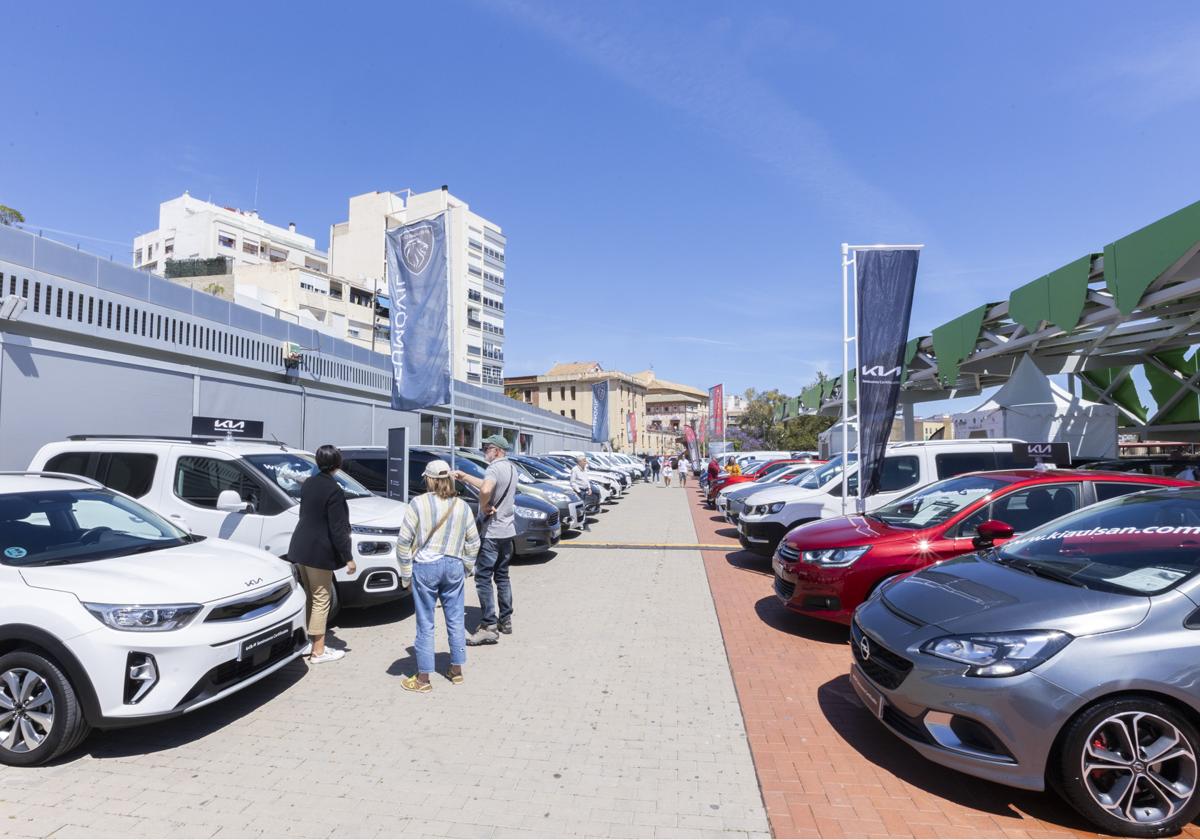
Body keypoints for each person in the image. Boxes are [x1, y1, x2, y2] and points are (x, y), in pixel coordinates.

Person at [396, 459, 479, 693]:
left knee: (426, 623)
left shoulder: (418, 503)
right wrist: (466, 567)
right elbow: (473, 541)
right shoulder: (461, 506)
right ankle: (456, 671)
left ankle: (423, 679)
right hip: (453, 565)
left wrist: (405, 576)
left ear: (430, 479)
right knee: (455, 620)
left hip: (425, 568)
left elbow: (403, 543)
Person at [288, 444, 356, 664]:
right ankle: (318, 650)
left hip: (300, 547)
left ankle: (309, 642)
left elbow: (305, 514)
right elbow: (339, 528)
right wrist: (348, 557)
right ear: (338, 464)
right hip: (319, 552)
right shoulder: (334, 490)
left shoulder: (309, 483)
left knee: (311, 594)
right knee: (321, 599)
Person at [454, 434, 518, 645]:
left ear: (497, 450)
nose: (484, 451)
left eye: (488, 448)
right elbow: (485, 484)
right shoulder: (510, 467)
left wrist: (483, 506)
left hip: (491, 533)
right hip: (507, 531)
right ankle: (505, 620)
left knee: (483, 578)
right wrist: (464, 477)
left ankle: (489, 625)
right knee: (502, 576)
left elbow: (486, 489)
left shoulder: (493, 468)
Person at [569, 456, 593, 532]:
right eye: (584, 461)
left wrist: (589, 488)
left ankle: (584, 522)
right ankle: (581, 525)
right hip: (579, 491)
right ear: (580, 462)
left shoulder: (584, 469)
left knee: (585, 507)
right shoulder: (575, 470)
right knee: (580, 509)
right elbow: (572, 482)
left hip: (585, 490)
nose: (586, 462)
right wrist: (578, 491)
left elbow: (586, 479)